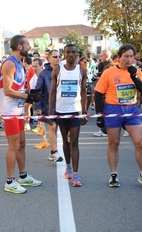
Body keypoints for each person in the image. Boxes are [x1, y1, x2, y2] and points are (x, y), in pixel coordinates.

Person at [94, 44, 142, 190]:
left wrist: (134, 76)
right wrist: (99, 115)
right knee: (114, 143)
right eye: (126, 56)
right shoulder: (109, 72)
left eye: (131, 57)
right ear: (119, 57)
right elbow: (98, 93)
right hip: (113, 109)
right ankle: (114, 174)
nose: (129, 60)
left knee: (140, 143)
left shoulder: (136, 71)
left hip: (131, 109)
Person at [0, 34, 43, 194]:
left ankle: (23, 176)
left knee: (22, 143)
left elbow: (18, 88)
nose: (30, 47)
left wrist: (31, 93)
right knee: (14, 145)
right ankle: (9, 181)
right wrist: (28, 97)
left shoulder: (19, 64)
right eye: (27, 44)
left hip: (17, 110)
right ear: (19, 47)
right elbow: (8, 90)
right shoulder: (10, 64)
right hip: (9, 111)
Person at [49, 44, 88, 187]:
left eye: (73, 52)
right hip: (60, 111)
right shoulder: (57, 70)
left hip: (75, 111)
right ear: (64, 54)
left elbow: (84, 92)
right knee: (65, 141)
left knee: (74, 142)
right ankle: (68, 167)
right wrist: (50, 112)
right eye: (68, 52)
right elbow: (52, 91)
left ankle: (76, 176)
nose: (71, 55)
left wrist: (84, 112)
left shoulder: (82, 70)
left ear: (77, 54)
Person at [34, 50, 63, 162]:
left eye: (59, 56)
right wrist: (37, 106)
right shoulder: (43, 73)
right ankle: (55, 152)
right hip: (48, 105)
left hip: (61, 105)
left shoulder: (64, 71)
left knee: (56, 130)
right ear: (49, 58)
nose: (58, 58)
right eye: (55, 56)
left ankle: (52, 151)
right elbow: (38, 90)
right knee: (53, 127)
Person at [93, 49, 114, 137]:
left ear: (107, 56)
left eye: (101, 56)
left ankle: (105, 130)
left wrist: (99, 79)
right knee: (104, 111)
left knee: (107, 111)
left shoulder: (111, 66)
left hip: (108, 93)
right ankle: (104, 129)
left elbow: (108, 79)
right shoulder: (104, 65)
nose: (100, 57)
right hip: (103, 92)